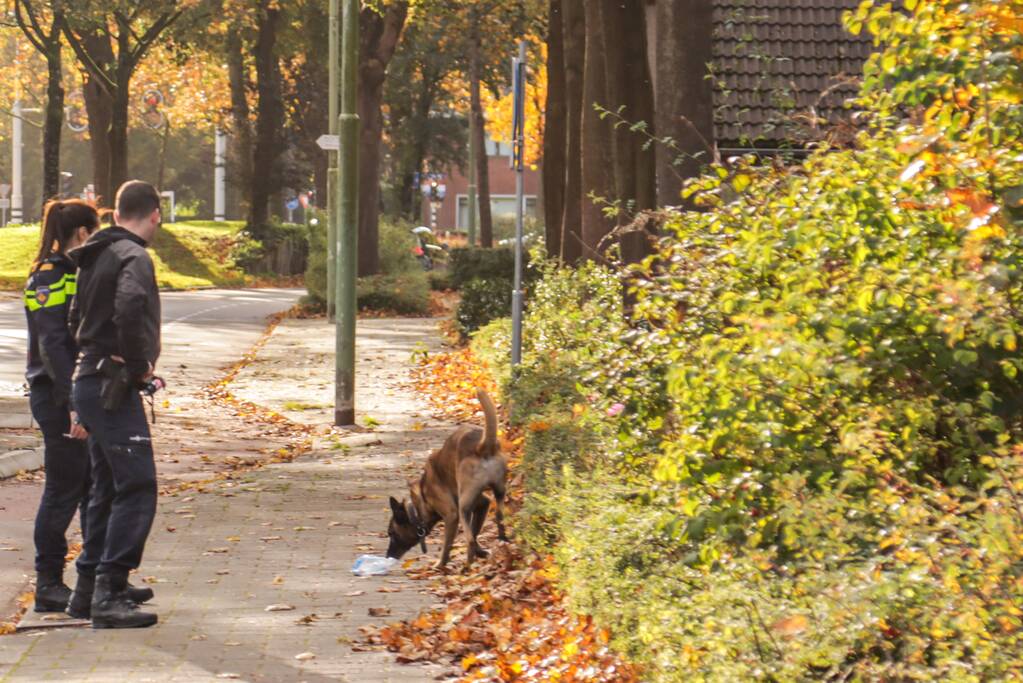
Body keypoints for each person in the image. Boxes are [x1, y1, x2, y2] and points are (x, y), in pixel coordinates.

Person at [66, 180, 162, 629]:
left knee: (105, 486)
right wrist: (140, 364)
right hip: (111, 384)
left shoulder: (96, 254)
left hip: (90, 379)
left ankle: (88, 590)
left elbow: (73, 318)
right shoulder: (133, 256)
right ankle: (109, 590)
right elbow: (130, 305)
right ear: (155, 214)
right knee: (138, 484)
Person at [23, 199, 100, 613]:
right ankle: (49, 584)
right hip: (57, 396)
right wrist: (74, 404)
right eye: (97, 228)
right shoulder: (52, 275)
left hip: (66, 394)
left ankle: (93, 580)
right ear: (83, 232)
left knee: (88, 487)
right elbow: (54, 343)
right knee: (63, 489)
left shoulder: (67, 272)